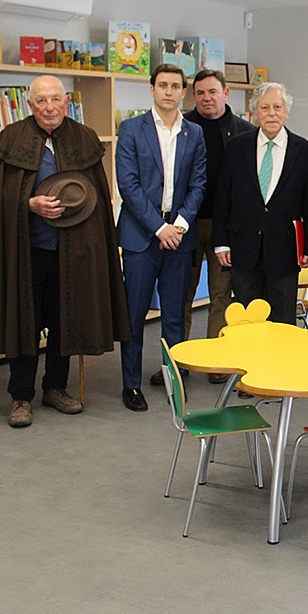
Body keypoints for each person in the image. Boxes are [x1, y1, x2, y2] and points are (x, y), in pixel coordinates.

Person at [0, 75, 131, 428]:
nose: (49, 107)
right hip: (27, 250)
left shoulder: (83, 139)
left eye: (55, 99)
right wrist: (28, 203)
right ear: (30, 105)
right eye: (41, 101)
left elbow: (98, 198)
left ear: (66, 100)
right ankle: (20, 396)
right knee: (23, 321)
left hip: (73, 253)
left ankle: (55, 387)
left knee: (65, 321)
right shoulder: (12, 139)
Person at [116, 64, 206, 412]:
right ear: (151, 89)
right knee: (135, 314)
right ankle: (130, 385)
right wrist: (159, 228)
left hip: (179, 236)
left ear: (183, 92)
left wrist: (179, 226)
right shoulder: (132, 129)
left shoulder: (194, 134)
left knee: (173, 314)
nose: (169, 91)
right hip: (142, 235)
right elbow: (129, 186)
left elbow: (199, 184)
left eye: (175, 86)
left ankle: (173, 382)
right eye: (163, 85)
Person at [166, 69, 254, 386]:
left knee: (220, 295)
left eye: (212, 91)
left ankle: (217, 361)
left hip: (225, 227)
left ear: (226, 92)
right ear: (193, 95)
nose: (207, 98)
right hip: (185, 224)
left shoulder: (245, 132)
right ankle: (180, 362)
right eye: (200, 92)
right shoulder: (182, 128)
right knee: (181, 296)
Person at [213, 82, 308, 322]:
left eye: (277, 107)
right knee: (247, 322)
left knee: (282, 321)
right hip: (243, 250)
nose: (271, 113)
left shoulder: (302, 150)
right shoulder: (237, 147)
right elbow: (223, 199)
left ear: (286, 112)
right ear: (255, 113)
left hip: (284, 253)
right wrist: (221, 243)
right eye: (264, 107)